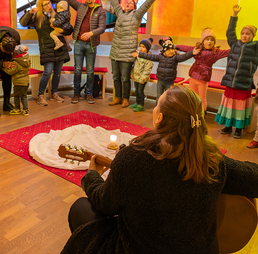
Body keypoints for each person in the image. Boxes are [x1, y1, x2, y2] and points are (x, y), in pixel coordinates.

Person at [61, 85, 258, 254]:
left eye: (157, 104)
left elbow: (104, 204)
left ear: (159, 118)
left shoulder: (132, 157)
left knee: (81, 207)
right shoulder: (213, 161)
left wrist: (92, 175)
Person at [107, 0, 166, 108]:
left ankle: (125, 99)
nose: (128, 3)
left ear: (134, 7)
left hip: (127, 52)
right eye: (127, 2)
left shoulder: (136, 15)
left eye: (131, 3)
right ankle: (117, 97)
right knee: (116, 77)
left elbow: (146, 5)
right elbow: (114, 3)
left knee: (125, 78)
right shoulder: (120, 13)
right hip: (115, 51)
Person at [20, 0, 73, 106]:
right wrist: (30, 12)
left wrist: (67, 43)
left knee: (57, 73)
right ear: (41, 6)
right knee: (47, 72)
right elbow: (23, 23)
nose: (49, 6)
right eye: (45, 4)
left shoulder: (57, 15)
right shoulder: (37, 18)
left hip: (60, 48)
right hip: (47, 49)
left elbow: (65, 31)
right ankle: (40, 95)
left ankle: (54, 93)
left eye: (49, 3)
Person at [215, 5, 258, 139]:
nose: (245, 36)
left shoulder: (255, 47)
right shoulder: (234, 43)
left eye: (248, 34)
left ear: (253, 36)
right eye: (243, 33)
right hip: (230, 81)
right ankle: (228, 126)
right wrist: (234, 15)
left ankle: (238, 129)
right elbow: (230, 32)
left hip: (244, 83)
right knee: (228, 105)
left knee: (240, 107)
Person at [65, 0, 107, 105]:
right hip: (78, 44)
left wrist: (91, 33)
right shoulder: (80, 7)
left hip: (91, 45)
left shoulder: (100, 10)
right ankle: (76, 94)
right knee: (77, 69)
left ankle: (89, 94)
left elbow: (102, 28)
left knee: (90, 71)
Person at [176, 28, 230, 114]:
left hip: (203, 79)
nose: (209, 42)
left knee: (202, 98)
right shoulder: (197, 49)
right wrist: (176, 46)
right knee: (192, 96)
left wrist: (239, 48)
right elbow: (186, 48)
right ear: (203, 41)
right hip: (193, 76)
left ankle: (202, 114)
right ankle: (192, 113)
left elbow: (228, 52)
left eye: (212, 40)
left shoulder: (216, 52)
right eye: (207, 39)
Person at [132, 36, 198, 104]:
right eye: (169, 49)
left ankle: (166, 110)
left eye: (172, 49)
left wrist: (192, 53)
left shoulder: (175, 57)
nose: (171, 51)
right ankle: (158, 109)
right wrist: (139, 54)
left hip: (169, 81)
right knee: (159, 96)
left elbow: (184, 56)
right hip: (160, 80)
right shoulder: (160, 57)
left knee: (168, 96)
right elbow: (150, 56)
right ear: (164, 51)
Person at [2, 45, 30, 116]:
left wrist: (3, 67)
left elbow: (10, 72)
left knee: (16, 96)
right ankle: (25, 110)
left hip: (18, 83)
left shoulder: (17, 63)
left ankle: (17, 109)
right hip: (26, 82)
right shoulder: (27, 60)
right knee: (24, 96)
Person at [129, 38, 154, 112]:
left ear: (147, 49)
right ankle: (137, 103)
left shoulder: (148, 58)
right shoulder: (138, 56)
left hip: (142, 79)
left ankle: (141, 105)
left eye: (143, 47)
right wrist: (132, 73)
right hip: (136, 77)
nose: (141, 48)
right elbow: (135, 65)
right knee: (137, 90)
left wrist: (142, 78)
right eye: (140, 46)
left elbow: (147, 70)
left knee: (140, 91)